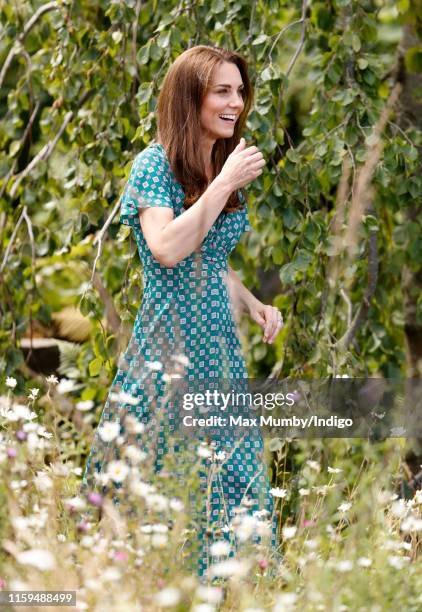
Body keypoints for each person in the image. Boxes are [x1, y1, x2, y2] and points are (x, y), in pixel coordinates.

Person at [81, 45, 284, 579]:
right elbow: (168, 247)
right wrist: (223, 185)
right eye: (222, 90)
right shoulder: (154, 165)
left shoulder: (213, 167)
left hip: (219, 349)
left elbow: (210, 259)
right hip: (170, 347)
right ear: (189, 97)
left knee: (236, 475)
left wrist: (253, 302)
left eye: (239, 91)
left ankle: (235, 586)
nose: (236, 102)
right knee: (166, 472)